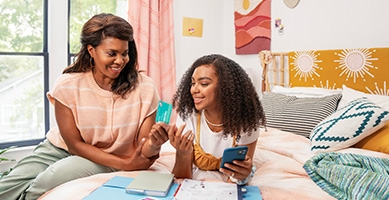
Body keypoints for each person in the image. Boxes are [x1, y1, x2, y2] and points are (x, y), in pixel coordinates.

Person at [0, 13, 169, 200]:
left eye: (125, 53)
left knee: (54, 176)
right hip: (60, 148)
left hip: (111, 156)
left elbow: (143, 152)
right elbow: (74, 145)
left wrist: (154, 143)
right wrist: (127, 164)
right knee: (5, 188)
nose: (120, 61)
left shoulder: (145, 88)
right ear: (91, 50)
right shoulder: (68, 85)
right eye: (111, 53)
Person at [166, 54, 265, 185]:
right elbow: (181, 177)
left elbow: (235, 180)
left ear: (226, 88)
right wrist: (182, 153)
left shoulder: (246, 121)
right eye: (193, 83)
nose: (194, 89)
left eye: (204, 83)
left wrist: (242, 176)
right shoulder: (188, 115)